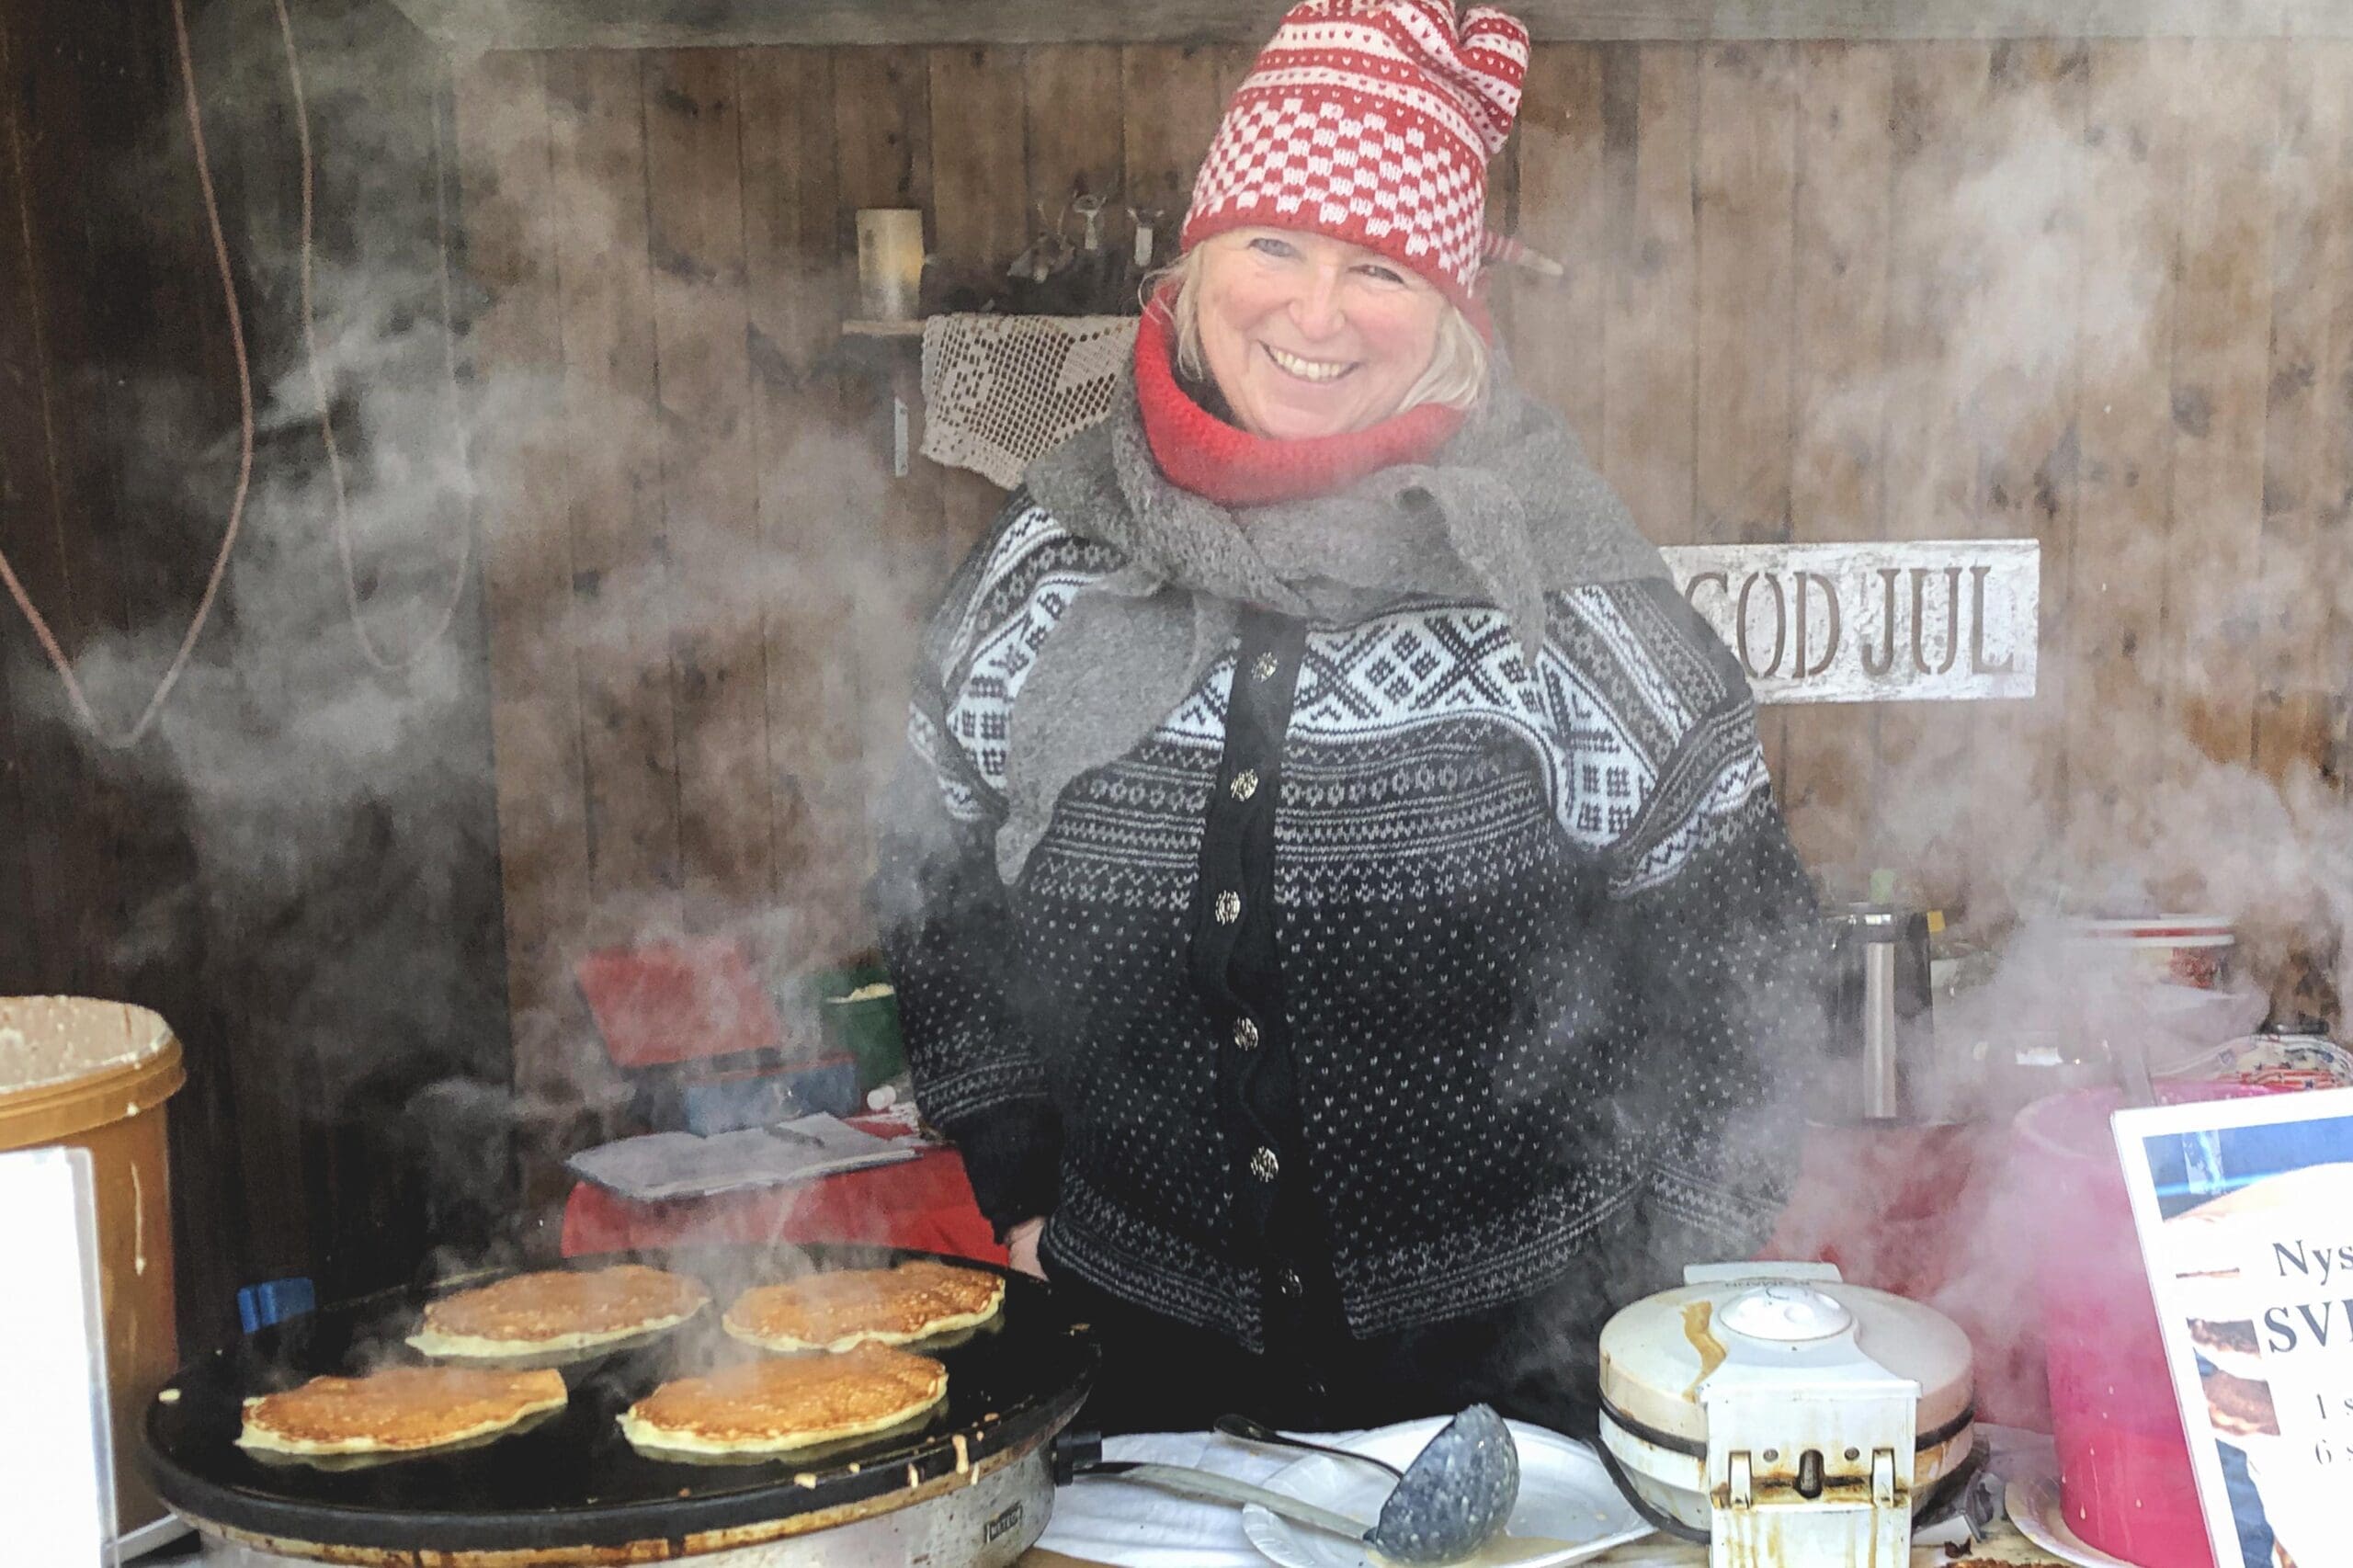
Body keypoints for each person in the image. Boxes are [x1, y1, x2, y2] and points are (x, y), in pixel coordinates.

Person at [873, 0, 1820, 1436]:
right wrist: (1017, 1180)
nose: (1313, 316)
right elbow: (924, 857)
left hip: (1521, 1418)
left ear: (1448, 313)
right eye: (1273, 247)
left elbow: (1753, 962)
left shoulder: (1555, 584)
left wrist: (1666, 1291)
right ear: (1199, 267)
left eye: (1375, 267)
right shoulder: (1055, 554)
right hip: (1137, 1411)